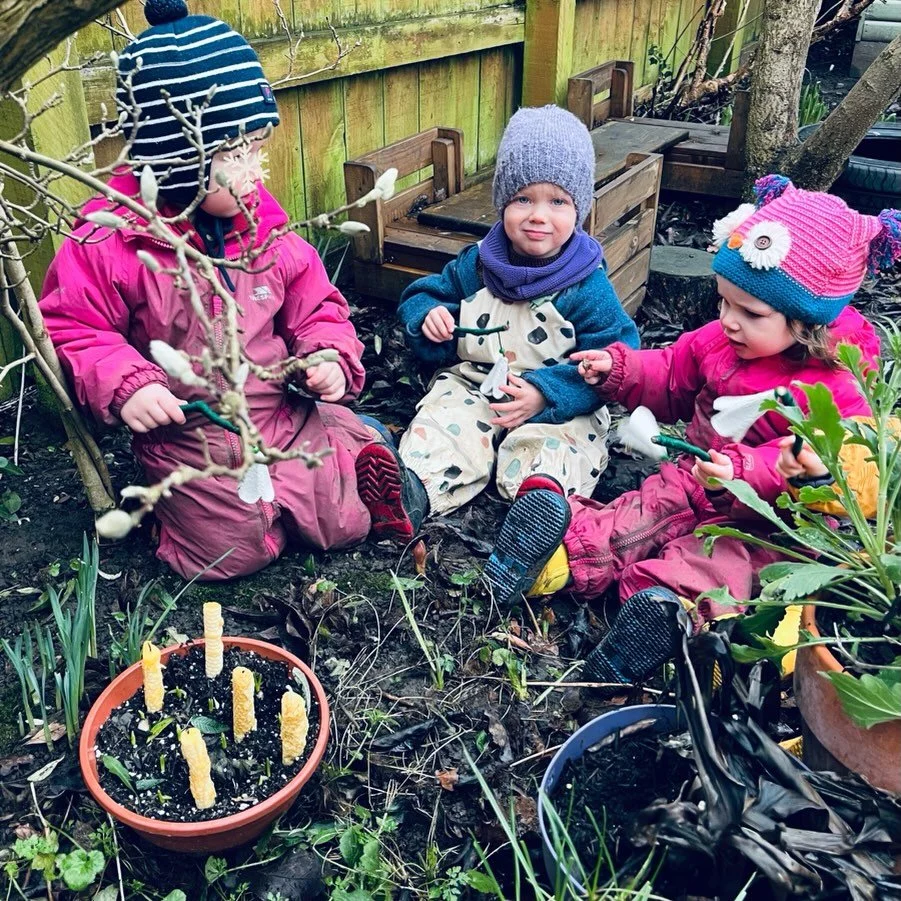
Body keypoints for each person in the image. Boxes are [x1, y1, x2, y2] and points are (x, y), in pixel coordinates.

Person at [483, 176, 901, 680]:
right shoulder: (723, 341)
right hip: (692, 474)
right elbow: (673, 373)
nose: (728, 320)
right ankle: (551, 556)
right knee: (632, 516)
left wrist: (765, 469)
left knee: (714, 566)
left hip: (767, 519)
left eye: (751, 312)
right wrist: (622, 370)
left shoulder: (837, 384)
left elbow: (840, 465)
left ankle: (662, 616)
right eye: (723, 301)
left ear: (809, 321)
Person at [39, 0, 376, 581]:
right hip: (190, 438)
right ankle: (181, 514)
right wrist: (126, 383)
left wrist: (327, 355)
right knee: (225, 556)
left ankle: (356, 445)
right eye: (234, 154)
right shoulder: (113, 239)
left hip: (281, 414)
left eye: (257, 147)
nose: (256, 171)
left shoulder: (265, 228)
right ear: (176, 161)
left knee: (344, 523)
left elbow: (316, 303)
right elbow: (73, 325)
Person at [354, 105, 639, 540]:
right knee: (447, 423)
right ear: (502, 202)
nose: (538, 215)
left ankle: (539, 507)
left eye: (558, 201)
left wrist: (549, 393)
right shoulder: (479, 265)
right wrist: (431, 317)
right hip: (477, 387)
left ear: (579, 208)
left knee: (556, 449)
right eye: (523, 198)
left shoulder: (585, 287)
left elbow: (618, 358)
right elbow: (425, 293)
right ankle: (412, 490)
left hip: (557, 406)